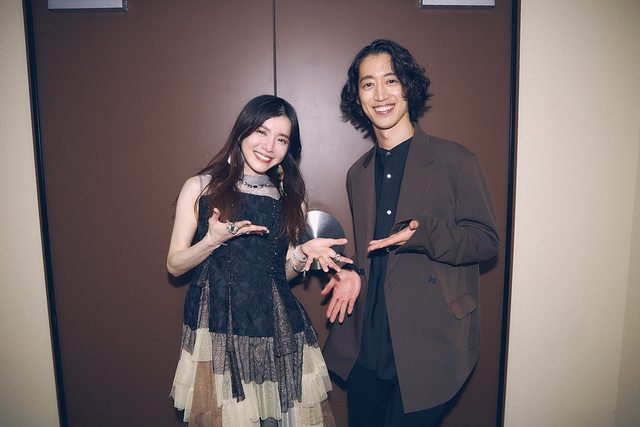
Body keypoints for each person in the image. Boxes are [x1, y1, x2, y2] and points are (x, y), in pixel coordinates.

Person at [321, 39, 500, 426]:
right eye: (368, 84)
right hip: (367, 343)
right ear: (358, 97)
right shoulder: (358, 173)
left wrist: (426, 234)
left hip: (429, 342)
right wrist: (354, 273)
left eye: (391, 80)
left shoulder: (455, 161)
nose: (380, 94)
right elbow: (372, 253)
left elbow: (486, 242)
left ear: (409, 87)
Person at [167, 94, 350, 426]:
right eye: (261, 132)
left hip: (276, 331)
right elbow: (175, 265)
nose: (269, 146)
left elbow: (279, 276)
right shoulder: (200, 187)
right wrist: (211, 241)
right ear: (242, 131)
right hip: (217, 331)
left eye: (281, 139)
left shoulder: (291, 200)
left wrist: (301, 254)